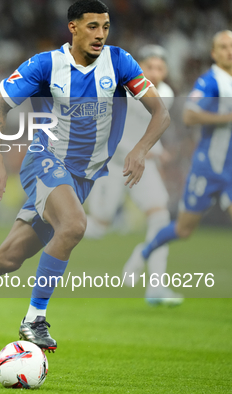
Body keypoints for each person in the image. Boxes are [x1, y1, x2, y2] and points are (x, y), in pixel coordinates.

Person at [0, 0, 170, 353]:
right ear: (73, 27)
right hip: (45, 162)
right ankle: (34, 319)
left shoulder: (120, 62)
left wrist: (139, 150)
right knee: (74, 225)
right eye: (92, 26)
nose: (100, 35)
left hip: (82, 178)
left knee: (8, 258)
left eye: (105, 27)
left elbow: (161, 113)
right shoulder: (46, 65)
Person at [127, 30, 232, 278]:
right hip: (208, 168)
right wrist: (227, 118)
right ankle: (144, 252)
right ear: (214, 54)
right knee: (183, 230)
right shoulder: (210, 81)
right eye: (223, 47)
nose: (229, 51)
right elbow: (189, 114)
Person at [84, 45, 183, 306]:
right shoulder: (119, 91)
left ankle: (156, 285)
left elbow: (147, 128)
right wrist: (147, 150)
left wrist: (154, 150)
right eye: (149, 67)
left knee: (159, 215)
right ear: (139, 67)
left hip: (140, 165)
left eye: (160, 68)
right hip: (112, 165)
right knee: (97, 227)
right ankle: (48, 226)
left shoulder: (166, 95)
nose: (155, 72)